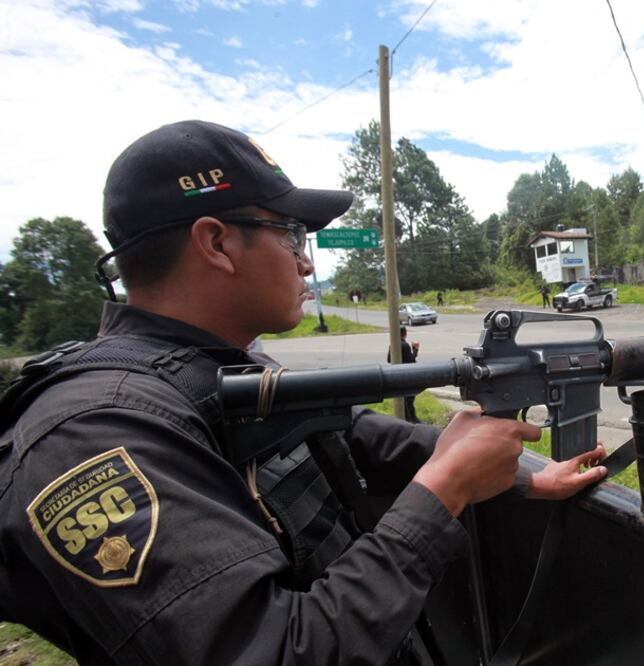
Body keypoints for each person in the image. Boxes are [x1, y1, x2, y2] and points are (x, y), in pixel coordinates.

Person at [0, 120, 607, 665]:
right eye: (291, 235)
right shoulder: (93, 435)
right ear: (215, 243)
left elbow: (356, 434)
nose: (307, 263)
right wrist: (444, 489)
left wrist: (526, 474)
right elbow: (273, 651)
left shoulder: (222, 366)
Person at [388, 325, 421, 422]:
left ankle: (407, 418)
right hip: (407, 375)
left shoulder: (393, 344)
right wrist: (415, 349)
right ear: (405, 334)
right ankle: (412, 419)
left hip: (396, 374)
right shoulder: (405, 345)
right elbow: (412, 361)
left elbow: (389, 359)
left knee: (404, 398)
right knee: (409, 398)